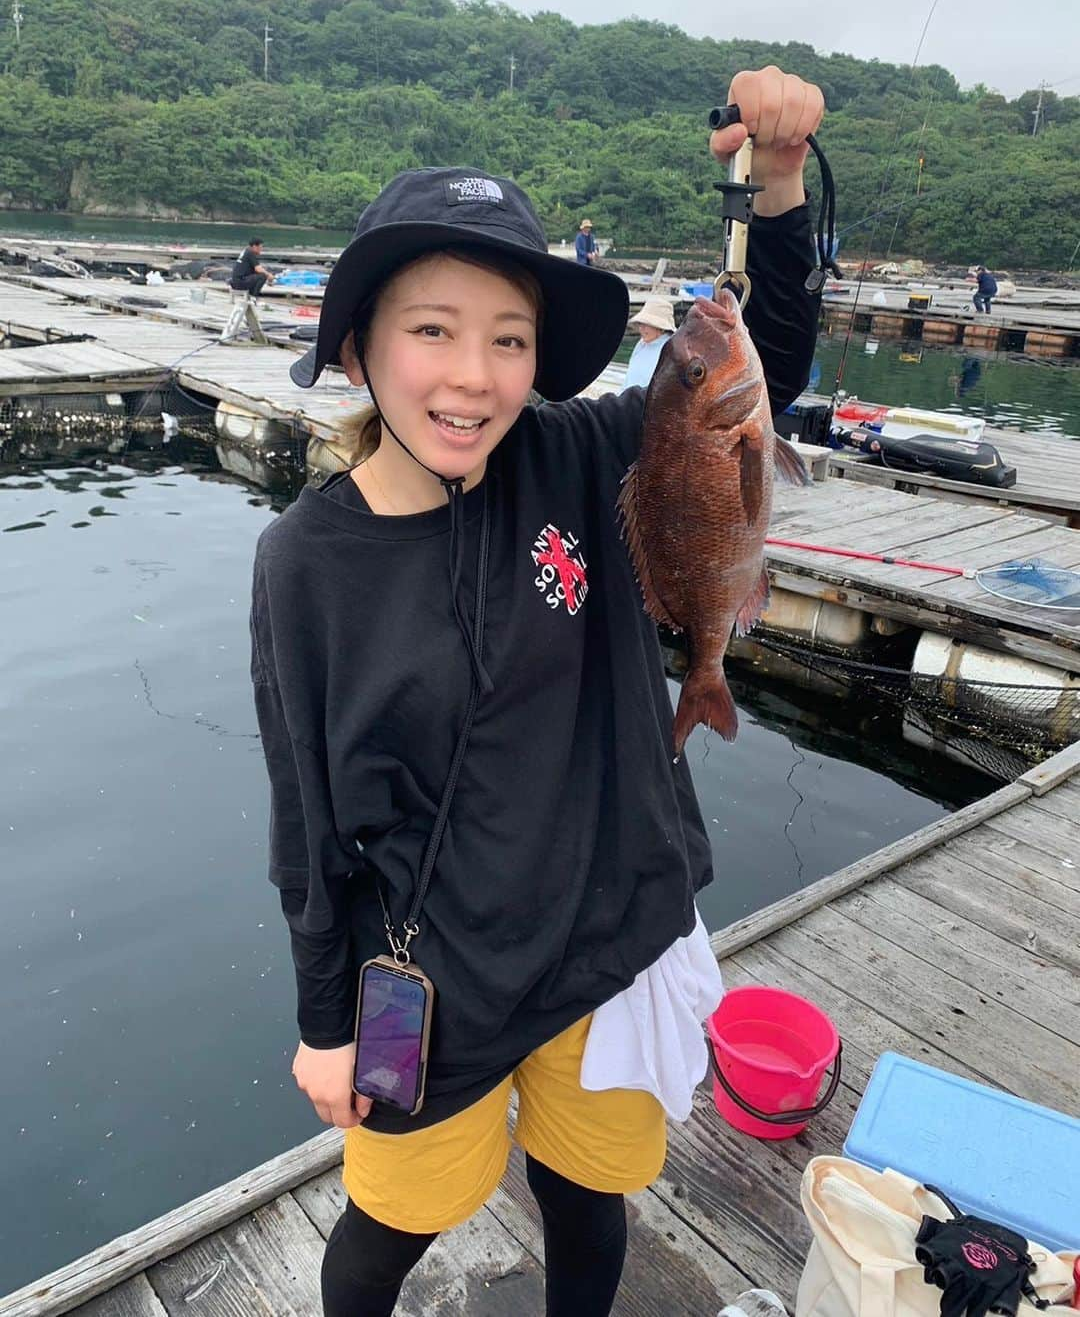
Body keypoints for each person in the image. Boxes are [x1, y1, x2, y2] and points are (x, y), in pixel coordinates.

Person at [251, 64, 824, 1317]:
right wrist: (321, 1020)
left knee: (587, 1198)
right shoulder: (305, 563)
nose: (472, 376)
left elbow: (747, 379)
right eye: (432, 329)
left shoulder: (576, 456)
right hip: (434, 978)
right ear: (357, 347)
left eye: (508, 340)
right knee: (387, 1228)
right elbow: (304, 818)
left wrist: (777, 192)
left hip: (615, 934)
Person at [621, 295, 676, 390]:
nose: (641, 328)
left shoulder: (670, 349)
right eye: (640, 323)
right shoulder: (641, 344)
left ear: (661, 328)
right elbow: (629, 378)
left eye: (646, 324)